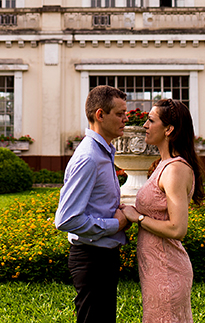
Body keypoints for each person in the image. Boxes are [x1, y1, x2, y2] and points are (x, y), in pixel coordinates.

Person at [122, 99, 205, 323]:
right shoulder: (163, 164)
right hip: (156, 270)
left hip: (167, 270)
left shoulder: (175, 169)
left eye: (151, 120)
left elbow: (178, 228)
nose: (145, 126)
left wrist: (138, 218)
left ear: (169, 129)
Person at [55, 85, 131, 323]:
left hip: (103, 255)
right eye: (120, 114)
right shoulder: (89, 157)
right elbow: (66, 219)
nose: (126, 119)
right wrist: (114, 224)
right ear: (100, 115)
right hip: (92, 257)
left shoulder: (104, 152)